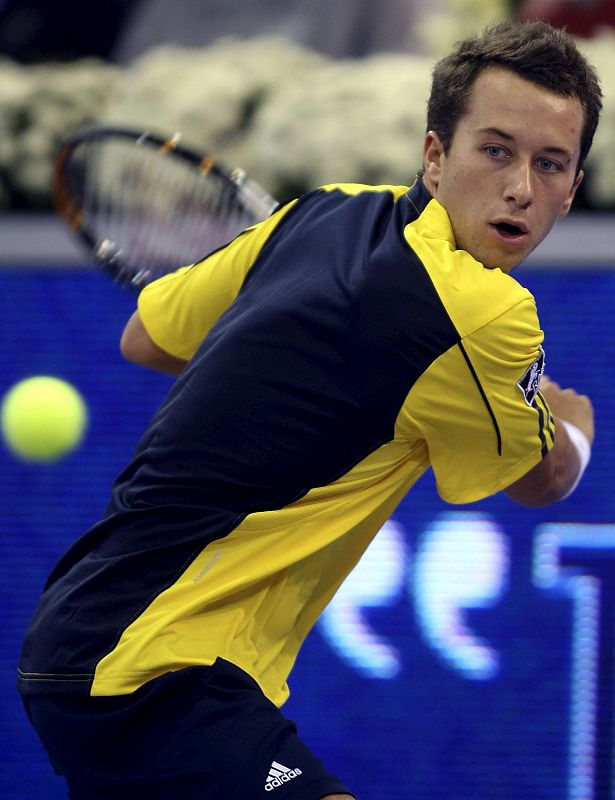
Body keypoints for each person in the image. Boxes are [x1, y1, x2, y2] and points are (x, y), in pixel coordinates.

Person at [18, 18, 602, 800]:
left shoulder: (323, 211)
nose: (520, 187)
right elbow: (542, 479)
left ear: (571, 188)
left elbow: (146, 336)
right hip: (159, 667)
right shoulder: (482, 313)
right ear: (435, 157)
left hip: (77, 638)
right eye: (494, 150)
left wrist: (303, 363)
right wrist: (575, 426)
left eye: (549, 163)